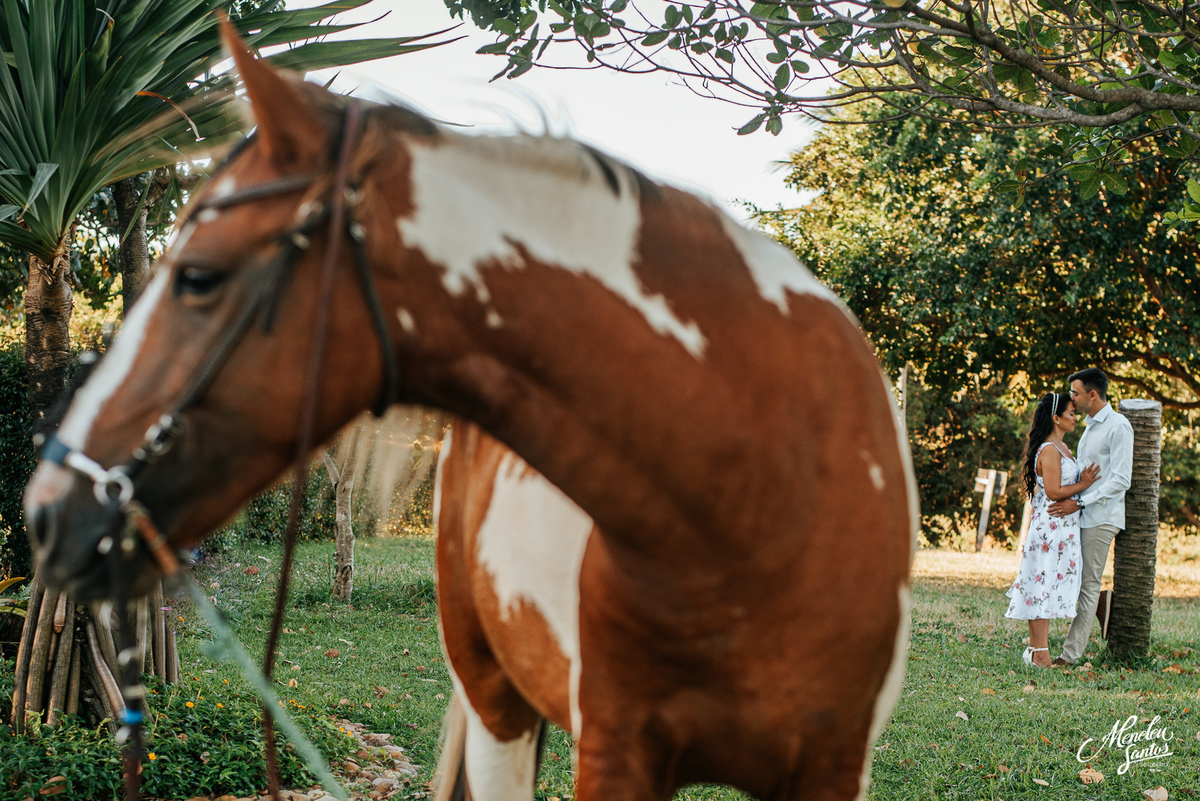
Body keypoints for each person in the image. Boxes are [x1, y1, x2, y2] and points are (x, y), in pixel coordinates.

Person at [1005, 393, 1100, 667]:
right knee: (1040, 587)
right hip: (1050, 528)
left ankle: (1037, 651)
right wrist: (1083, 484)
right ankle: (1039, 653)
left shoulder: (1063, 447)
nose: (1075, 417)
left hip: (1063, 529)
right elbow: (1056, 491)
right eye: (1071, 413)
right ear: (1056, 418)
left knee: (1046, 586)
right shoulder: (1048, 449)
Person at [1050, 368, 1134, 666]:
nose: (1071, 398)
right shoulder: (1088, 427)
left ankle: (1069, 657)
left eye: (1074, 393)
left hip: (1100, 516)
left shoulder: (1117, 426)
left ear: (1092, 394)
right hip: (1082, 514)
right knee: (1073, 579)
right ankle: (1102, 602)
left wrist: (1082, 501)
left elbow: (1121, 479)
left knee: (1086, 585)